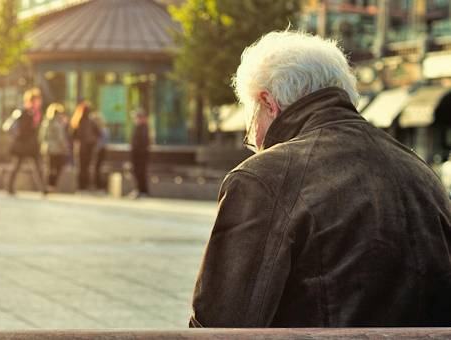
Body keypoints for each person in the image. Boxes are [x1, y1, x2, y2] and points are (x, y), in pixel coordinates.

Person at [190, 30, 451, 328]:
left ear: (268, 103)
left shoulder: (263, 177)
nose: (255, 141)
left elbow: (219, 327)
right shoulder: (422, 173)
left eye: (250, 126)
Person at [4, 88, 46, 196]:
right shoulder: (27, 112)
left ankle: (43, 188)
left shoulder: (36, 112)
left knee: (37, 166)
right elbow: (24, 129)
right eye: (38, 99)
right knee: (18, 165)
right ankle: (9, 187)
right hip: (24, 144)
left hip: (30, 144)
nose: (39, 101)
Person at [71, 102, 100, 194]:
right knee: (86, 167)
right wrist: (92, 141)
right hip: (88, 147)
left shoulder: (77, 121)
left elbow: (72, 135)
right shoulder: (91, 122)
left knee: (81, 167)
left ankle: (80, 187)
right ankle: (85, 187)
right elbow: (99, 133)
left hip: (80, 147)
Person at [39, 103, 68, 193]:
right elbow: (61, 138)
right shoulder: (57, 123)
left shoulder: (45, 122)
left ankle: (47, 185)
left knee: (49, 167)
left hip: (47, 148)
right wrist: (65, 146)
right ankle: (51, 185)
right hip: (56, 149)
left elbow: (41, 137)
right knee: (57, 167)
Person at [129, 108, 149, 198]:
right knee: (137, 172)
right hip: (137, 155)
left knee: (140, 172)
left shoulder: (143, 128)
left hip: (140, 155)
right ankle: (139, 190)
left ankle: (142, 191)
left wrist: (138, 151)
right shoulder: (138, 128)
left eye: (135, 117)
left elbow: (143, 143)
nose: (134, 120)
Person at [92, 111, 109, 192]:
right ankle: (98, 186)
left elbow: (101, 142)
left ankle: (100, 186)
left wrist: (95, 150)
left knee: (98, 168)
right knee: (96, 168)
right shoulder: (102, 130)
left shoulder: (102, 130)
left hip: (100, 151)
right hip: (100, 151)